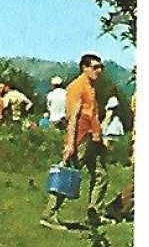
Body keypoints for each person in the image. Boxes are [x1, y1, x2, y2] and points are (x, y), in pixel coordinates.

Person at [42, 54, 109, 230]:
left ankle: (95, 211)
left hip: (92, 138)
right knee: (68, 174)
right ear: (84, 68)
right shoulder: (77, 87)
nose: (99, 71)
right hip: (81, 138)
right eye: (95, 67)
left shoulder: (90, 87)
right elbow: (72, 118)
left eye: (100, 67)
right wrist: (70, 144)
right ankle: (49, 214)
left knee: (101, 174)